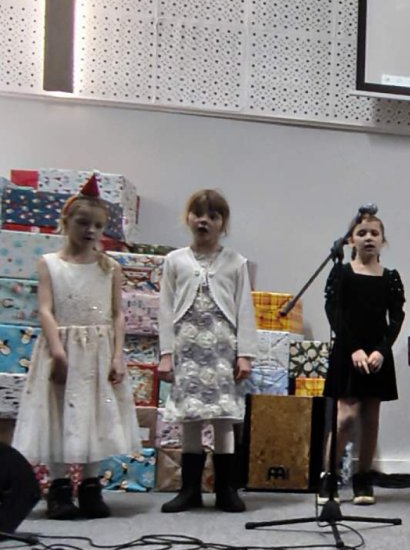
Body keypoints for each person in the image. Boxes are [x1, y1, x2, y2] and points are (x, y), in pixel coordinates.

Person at [13, 175, 142, 519]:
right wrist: (58, 351)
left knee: (93, 414)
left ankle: (89, 484)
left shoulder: (109, 267)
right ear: (66, 221)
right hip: (62, 348)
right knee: (59, 413)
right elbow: (45, 309)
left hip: (97, 352)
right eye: (83, 223)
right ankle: (58, 487)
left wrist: (117, 356)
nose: (91, 231)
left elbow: (117, 314)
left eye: (98, 225)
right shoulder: (50, 264)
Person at [157, 188, 257, 513]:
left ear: (222, 223)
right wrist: (166, 353)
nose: (204, 221)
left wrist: (245, 354)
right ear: (188, 218)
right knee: (191, 417)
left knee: (224, 417)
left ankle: (226, 489)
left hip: (222, 350)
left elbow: (244, 309)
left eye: (213, 216)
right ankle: (189, 490)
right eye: (198, 214)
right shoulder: (175, 261)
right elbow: (165, 309)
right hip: (187, 349)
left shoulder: (235, 263)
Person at [323, 209, 408, 505]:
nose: (368, 238)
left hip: (376, 354)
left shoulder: (390, 277)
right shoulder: (341, 273)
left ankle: (363, 477)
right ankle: (329, 475)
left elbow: (396, 317)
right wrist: (354, 349)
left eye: (374, 233)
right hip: (348, 351)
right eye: (362, 233)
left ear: (383, 241)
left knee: (371, 418)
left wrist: (382, 350)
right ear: (351, 240)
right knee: (346, 417)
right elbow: (334, 312)